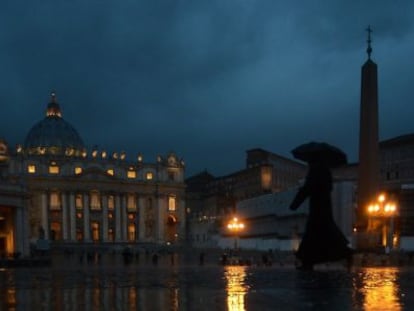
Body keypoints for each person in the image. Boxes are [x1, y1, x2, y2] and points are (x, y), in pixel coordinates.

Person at [289, 160, 352, 270]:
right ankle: (345, 252)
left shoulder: (315, 170)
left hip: (317, 208)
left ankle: (308, 262)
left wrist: (295, 204)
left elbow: (307, 189)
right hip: (324, 207)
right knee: (325, 232)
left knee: (313, 234)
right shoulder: (326, 171)